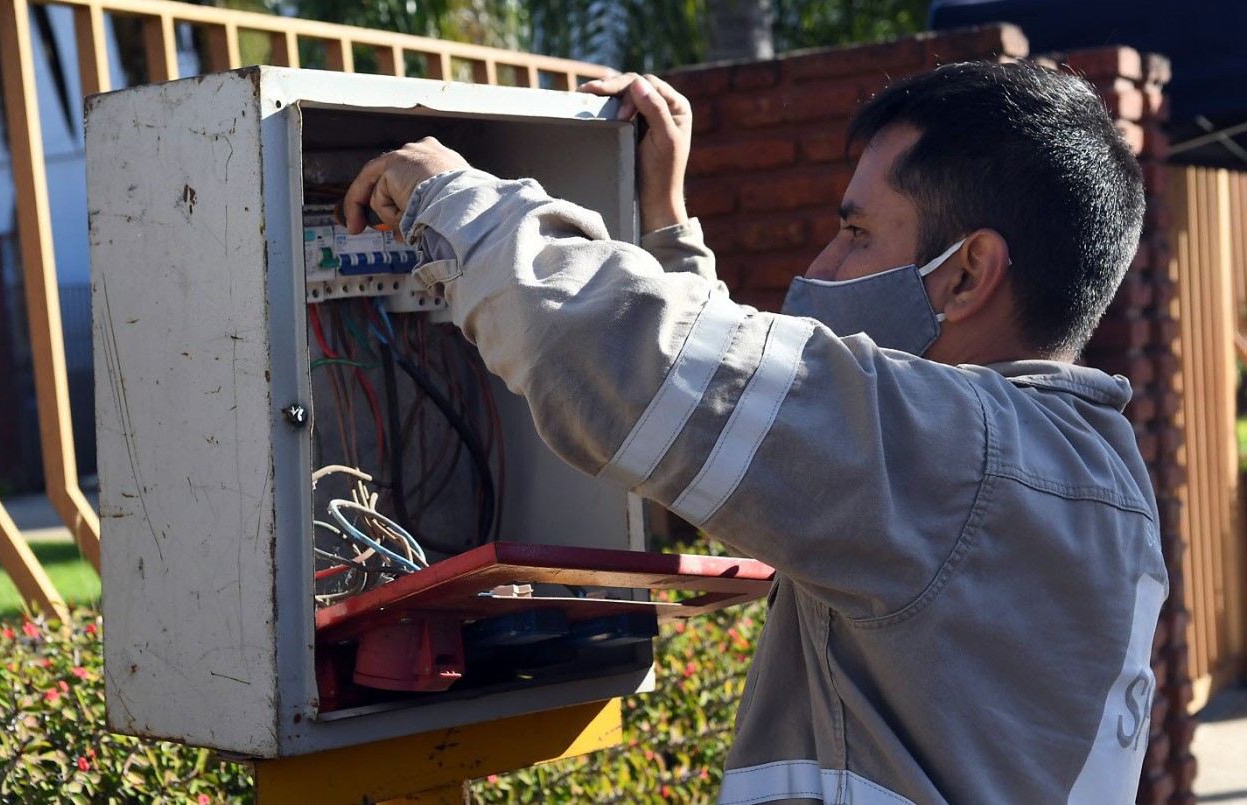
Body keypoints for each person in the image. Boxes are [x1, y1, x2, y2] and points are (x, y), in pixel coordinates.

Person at [343, 61, 1166, 804]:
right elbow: (753, 440)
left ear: (966, 273)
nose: (822, 266)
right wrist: (667, 226)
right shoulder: (1091, 470)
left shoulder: (951, 457)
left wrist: (448, 198)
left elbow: (612, 354)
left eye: (856, 233)